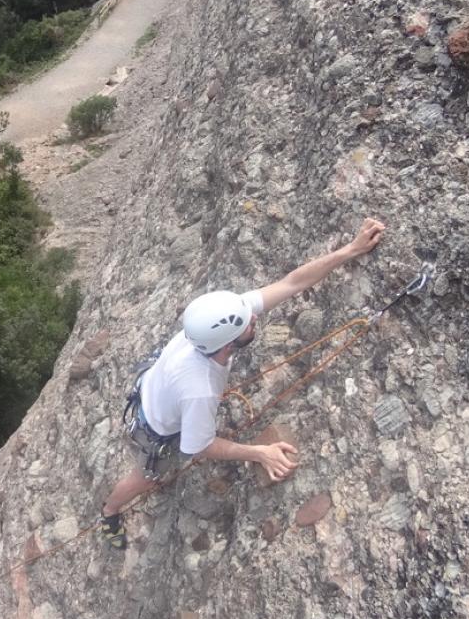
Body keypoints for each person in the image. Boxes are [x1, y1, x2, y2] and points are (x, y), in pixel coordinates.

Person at [99, 218, 387, 549]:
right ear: (227, 345)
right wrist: (258, 453)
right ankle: (109, 511)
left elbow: (291, 283)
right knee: (145, 477)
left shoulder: (216, 323)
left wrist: (350, 250)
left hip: (156, 386)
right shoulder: (200, 387)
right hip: (155, 427)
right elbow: (199, 447)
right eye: (247, 326)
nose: (254, 318)